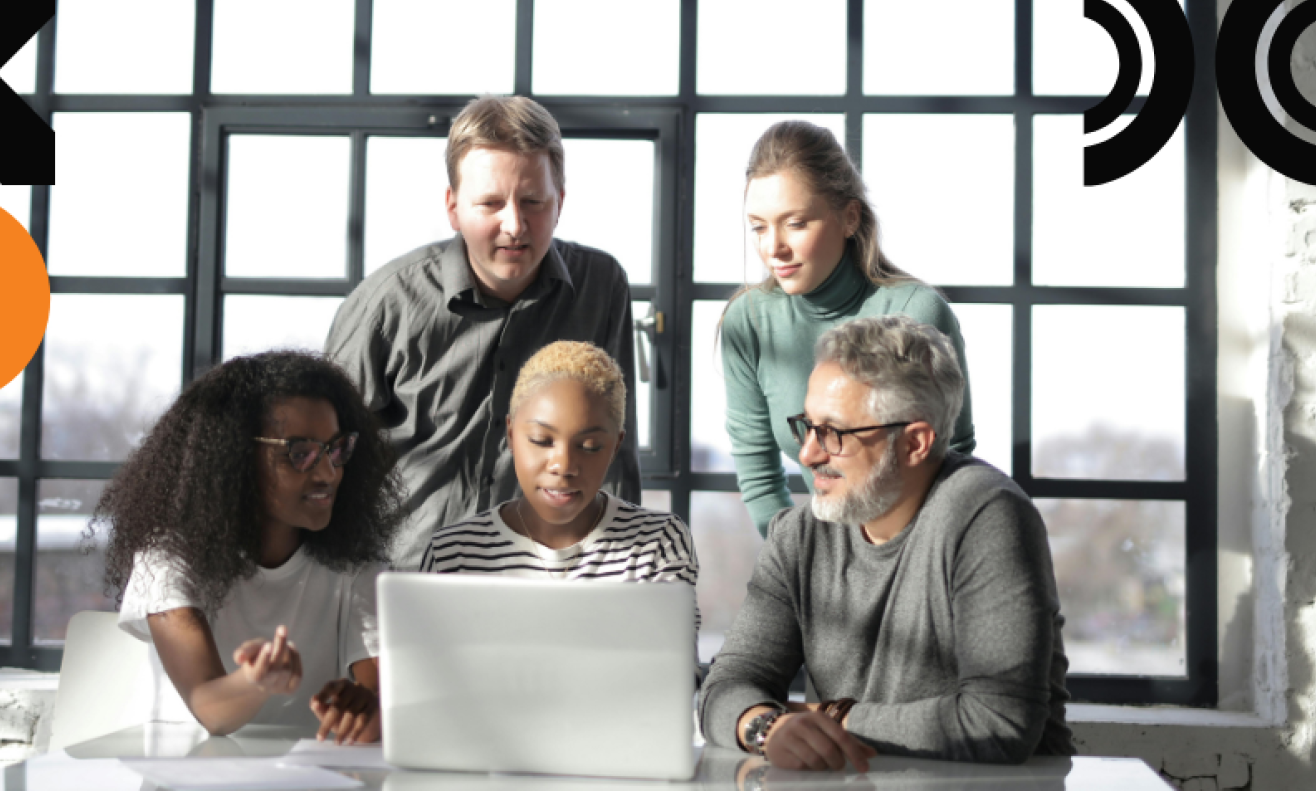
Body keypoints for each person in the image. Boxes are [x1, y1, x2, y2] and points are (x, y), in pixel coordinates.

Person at [698, 315, 1072, 770]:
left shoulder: (986, 514)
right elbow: (726, 684)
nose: (807, 454)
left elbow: (998, 721)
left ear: (914, 443)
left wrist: (828, 717)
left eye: (833, 433)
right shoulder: (798, 534)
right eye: (807, 425)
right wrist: (764, 727)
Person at [326, 95, 640, 569]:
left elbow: (612, 452)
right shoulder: (386, 303)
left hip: (549, 579)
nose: (514, 225)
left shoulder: (602, 287)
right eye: (491, 203)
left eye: (533, 202)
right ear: (453, 208)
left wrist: (621, 577)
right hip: (406, 580)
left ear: (560, 205)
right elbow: (324, 462)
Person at [94, 350, 405, 740]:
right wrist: (258, 680)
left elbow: (386, 694)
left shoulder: (354, 564)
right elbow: (211, 711)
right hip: (185, 773)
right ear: (234, 457)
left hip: (308, 777)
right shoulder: (169, 562)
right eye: (301, 454)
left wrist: (368, 708)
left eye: (337, 448)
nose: (329, 472)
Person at [721, 120, 975, 536]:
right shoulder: (746, 322)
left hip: (919, 555)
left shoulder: (919, 312)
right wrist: (802, 567)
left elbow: (953, 460)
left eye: (796, 223)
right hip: (823, 565)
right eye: (759, 227)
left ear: (850, 217)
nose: (773, 247)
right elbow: (759, 476)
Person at [419, 342, 698, 649]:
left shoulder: (656, 543)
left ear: (616, 446)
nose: (563, 466)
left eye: (590, 446)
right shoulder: (454, 553)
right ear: (511, 435)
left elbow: (674, 674)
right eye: (541, 441)